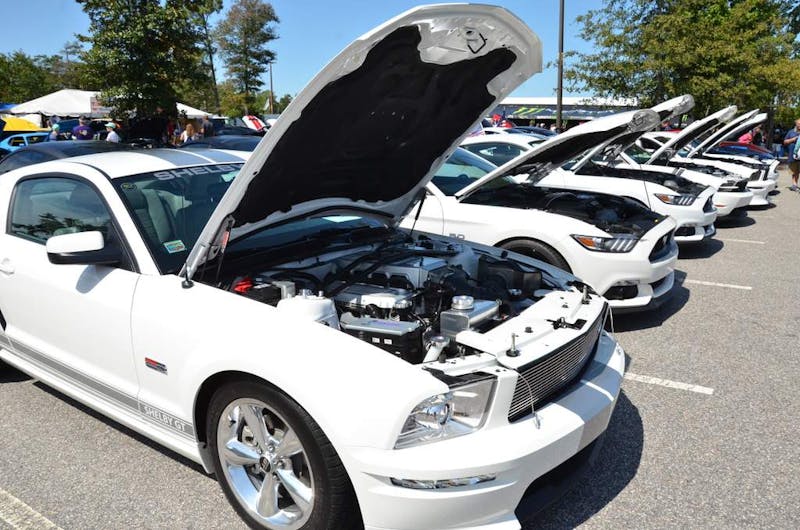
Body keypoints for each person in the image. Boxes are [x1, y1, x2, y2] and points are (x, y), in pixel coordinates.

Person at [783, 118, 800, 191]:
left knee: (798, 171)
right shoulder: (791, 132)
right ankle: (794, 184)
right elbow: (785, 142)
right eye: (799, 124)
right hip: (793, 155)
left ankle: (795, 184)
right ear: (796, 124)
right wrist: (793, 139)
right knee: (794, 171)